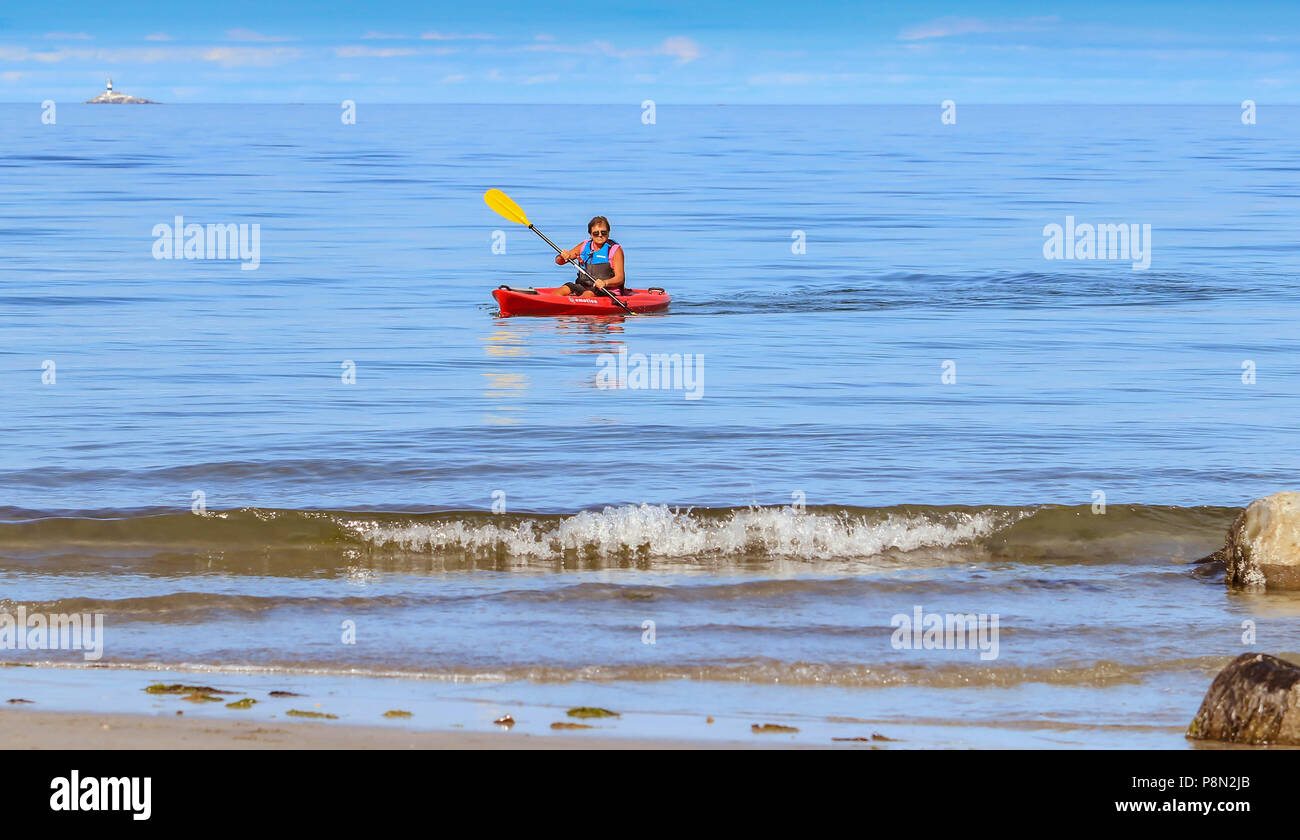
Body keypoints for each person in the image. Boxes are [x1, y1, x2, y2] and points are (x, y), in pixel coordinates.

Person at [552, 217, 625, 296]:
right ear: (590, 234)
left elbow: (620, 278)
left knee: (588, 293)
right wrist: (562, 256)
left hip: (606, 290)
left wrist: (605, 283)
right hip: (584, 287)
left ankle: (578, 306)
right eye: (596, 233)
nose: (600, 235)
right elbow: (559, 262)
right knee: (566, 288)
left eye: (603, 232)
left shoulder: (615, 250)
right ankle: (550, 303)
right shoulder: (584, 246)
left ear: (608, 232)